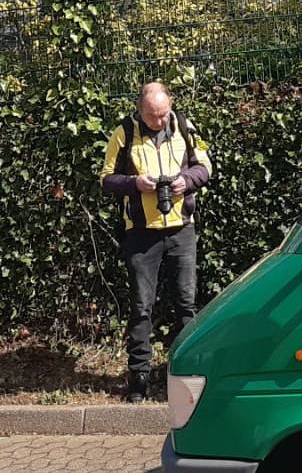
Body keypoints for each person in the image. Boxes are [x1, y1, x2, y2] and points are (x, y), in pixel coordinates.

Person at [100, 81, 212, 403]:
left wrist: (185, 181)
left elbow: (206, 167)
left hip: (181, 229)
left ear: (171, 106)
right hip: (141, 232)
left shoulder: (186, 127)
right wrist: (135, 183)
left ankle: (186, 373)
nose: (159, 121)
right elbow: (106, 179)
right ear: (140, 109)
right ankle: (139, 377)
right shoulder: (122, 133)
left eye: (163, 114)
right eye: (152, 116)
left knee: (186, 303)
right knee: (141, 306)